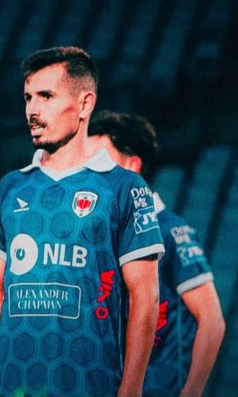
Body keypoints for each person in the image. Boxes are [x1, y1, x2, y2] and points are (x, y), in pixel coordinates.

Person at [0, 47, 164, 397]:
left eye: (46, 96)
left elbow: (144, 296)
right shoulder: (12, 185)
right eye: (28, 98)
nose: (32, 110)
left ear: (85, 104)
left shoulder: (124, 187)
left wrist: (131, 389)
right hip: (13, 386)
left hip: (91, 386)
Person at [88, 110, 225, 397]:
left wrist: (191, 392)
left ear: (132, 166)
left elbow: (212, 320)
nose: (88, 171)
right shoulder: (96, 234)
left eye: (98, 160)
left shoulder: (171, 231)